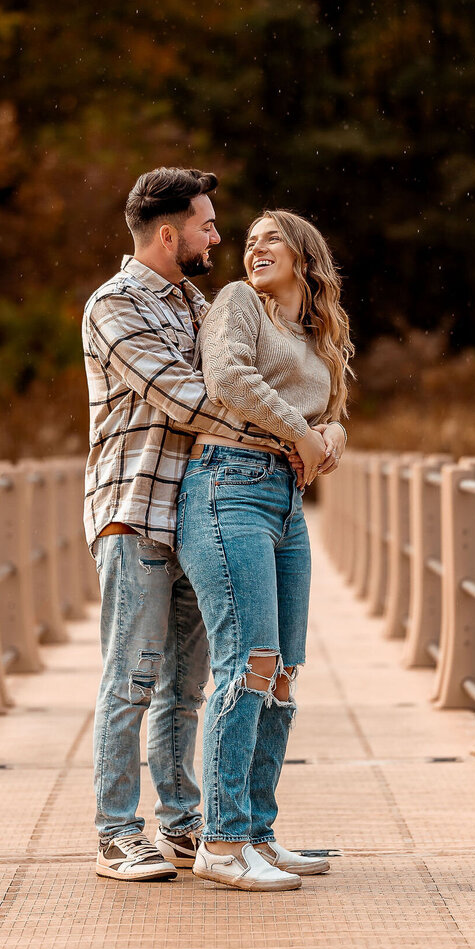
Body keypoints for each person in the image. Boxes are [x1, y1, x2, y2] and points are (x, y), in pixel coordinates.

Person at [81, 169, 324, 881]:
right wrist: (291, 437)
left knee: (189, 687)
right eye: (208, 226)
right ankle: (116, 834)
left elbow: (262, 376)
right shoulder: (113, 305)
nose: (217, 237)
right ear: (168, 233)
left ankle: (186, 823)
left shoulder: (197, 303)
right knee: (132, 678)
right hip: (134, 511)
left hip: (194, 507)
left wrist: (310, 428)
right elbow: (187, 399)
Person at [176, 210, 352, 892]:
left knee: (282, 672)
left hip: (284, 498)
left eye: (269, 239)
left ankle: (254, 832)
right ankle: (219, 842)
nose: (253, 250)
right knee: (247, 661)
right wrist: (304, 437)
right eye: (246, 242)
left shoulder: (316, 334)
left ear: (305, 254)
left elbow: (329, 413)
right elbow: (229, 380)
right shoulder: (238, 303)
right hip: (226, 487)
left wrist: (330, 436)